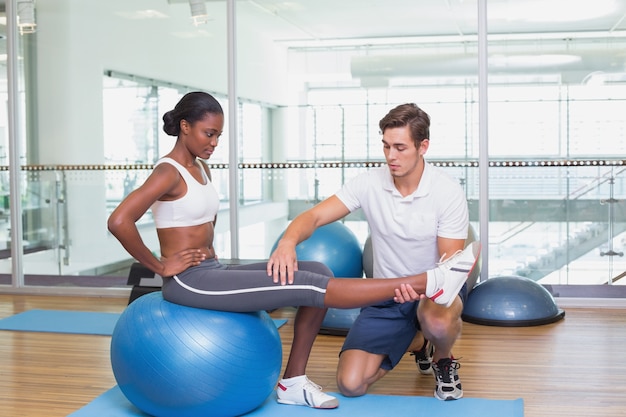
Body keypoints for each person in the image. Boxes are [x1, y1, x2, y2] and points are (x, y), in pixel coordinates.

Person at [108, 92, 480, 409]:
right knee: (313, 291)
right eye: (209, 133)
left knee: (318, 269)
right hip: (188, 283)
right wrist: (160, 265)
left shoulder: (200, 168)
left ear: (422, 147)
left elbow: (195, 225)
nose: (214, 142)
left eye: (218, 135)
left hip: (212, 270)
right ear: (185, 127)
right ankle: (423, 282)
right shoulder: (168, 171)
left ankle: (293, 382)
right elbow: (119, 220)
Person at [269, 103, 472, 401]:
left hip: (434, 292)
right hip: (386, 295)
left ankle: (443, 358)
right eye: (386, 146)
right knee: (351, 385)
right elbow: (312, 217)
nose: (391, 156)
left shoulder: (446, 191)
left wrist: (421, 291)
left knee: (436, 320)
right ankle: (418, 340)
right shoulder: (368, 182)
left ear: (423, 146)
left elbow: (448, 264)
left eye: (400, 147)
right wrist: (288, 242)